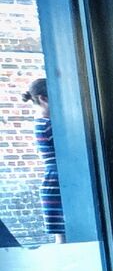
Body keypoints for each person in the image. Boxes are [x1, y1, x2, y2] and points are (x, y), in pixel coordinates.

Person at [23, 78, 61, 244]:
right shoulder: (49, 125)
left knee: (62, 237)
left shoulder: (41, 123)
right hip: (57, 184)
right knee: (63, 238)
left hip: (53, 183)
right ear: (44, 99)